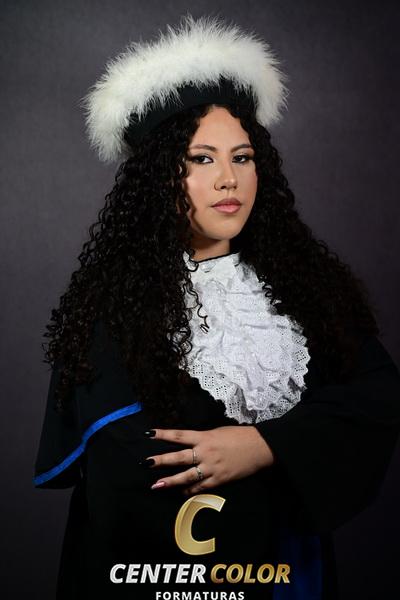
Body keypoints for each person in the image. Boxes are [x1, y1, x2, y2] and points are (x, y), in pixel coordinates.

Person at [33, 13, 400, 600]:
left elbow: (374, 397)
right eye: (201, 159)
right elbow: (131, 462)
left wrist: (265, 446)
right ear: (160, 178)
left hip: (294, 573)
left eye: (242, 157)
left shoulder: (305, 289)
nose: (229, 179)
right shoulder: (115, 307)